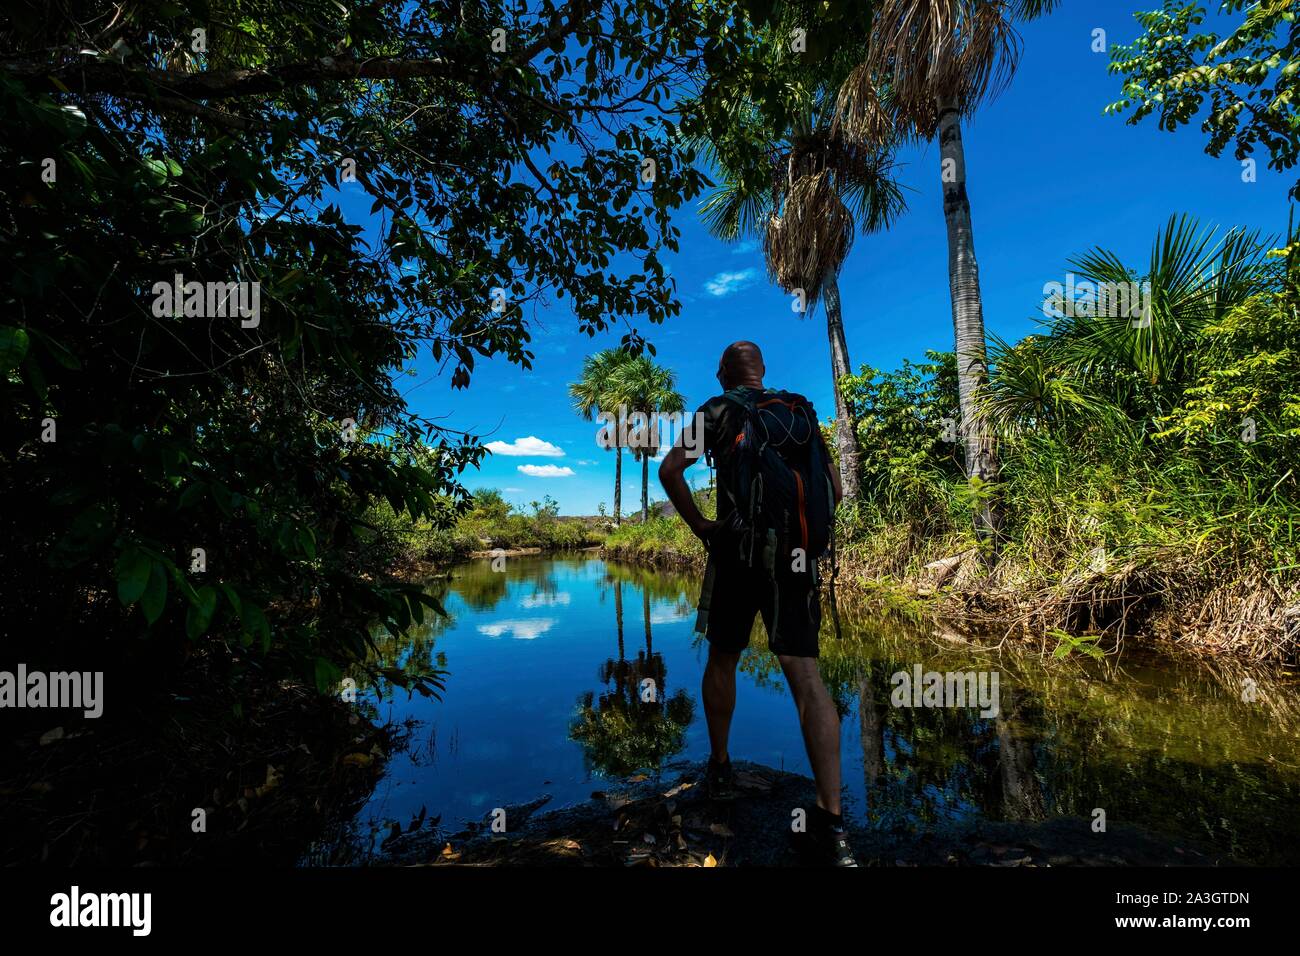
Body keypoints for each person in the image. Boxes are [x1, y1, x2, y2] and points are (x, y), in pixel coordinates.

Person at [657, 341, 856, 867]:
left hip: (738, 553)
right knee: (807, 678)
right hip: (795, 557)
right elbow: (833, 490)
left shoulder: (717, 409)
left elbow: (670, 470)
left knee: (724, 656)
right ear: (762, 371)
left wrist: (702, 526)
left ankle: (720, 767)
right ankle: (832, 823)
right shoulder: (801, 411)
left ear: (725, 374)